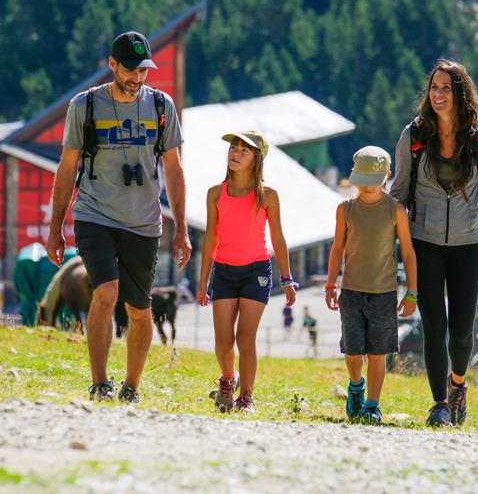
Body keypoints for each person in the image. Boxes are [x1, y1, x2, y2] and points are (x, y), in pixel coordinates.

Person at [46, 31, 191, 404]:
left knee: (139, 310)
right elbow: (67, 168)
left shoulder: (161, 106)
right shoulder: (84, 107)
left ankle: (131, 387)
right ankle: (100, 384)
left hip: (144, 222)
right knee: (106, 291)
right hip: (95, 214)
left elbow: (173, 168)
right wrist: (55, 228)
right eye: (129, 69)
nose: (136, 77)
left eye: (143, 70)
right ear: (112, 65)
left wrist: (182, 229)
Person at [390, 59, 478, 427]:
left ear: (460, 93)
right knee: (434, 327)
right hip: (423, 243)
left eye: (446, 88)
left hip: (468, 245)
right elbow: (399, 191)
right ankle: (440, 404)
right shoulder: (414, 135)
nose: (438, 94)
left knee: (460, 332)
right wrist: (385, 235)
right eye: (434, 87)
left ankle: (458, 384)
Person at [196, 130, 297, 413]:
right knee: (223, 341)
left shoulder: (268, 195)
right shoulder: (215, 193)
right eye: (233, 148)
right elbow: (210, 238)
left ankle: (247, 398)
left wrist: (287, 278)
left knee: (245, 338)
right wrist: (203, 281)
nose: (236, 153)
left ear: (257, 159)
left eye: (244, 150)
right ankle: (228, 379)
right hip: (224, 271)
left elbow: (278, 238)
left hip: (257, 272)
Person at [325, 146, 418, 423]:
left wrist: (412, 292)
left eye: (373, 181)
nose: (367, 187)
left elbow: (408, 253)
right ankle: (356, 386)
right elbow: (337, 248)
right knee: (353, 352)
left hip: (384, 294)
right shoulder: (345, 209)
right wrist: (331, 285)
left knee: (377, 354)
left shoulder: (395, 210)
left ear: (387, 178)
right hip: (351, 292)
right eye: (362, 181)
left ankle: (372, 405)